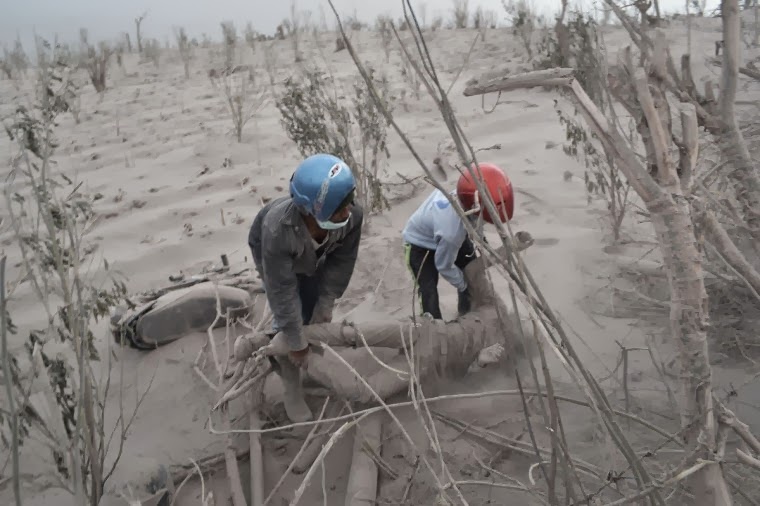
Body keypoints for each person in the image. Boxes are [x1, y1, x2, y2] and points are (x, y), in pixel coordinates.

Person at [248, 153, 363, 422]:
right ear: (311, 209)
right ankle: (292, 387)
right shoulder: (278, 230)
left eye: (348, 203)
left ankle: (313, 366)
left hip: (316, 256)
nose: (347, 213)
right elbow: (282, 290)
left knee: (314, 310)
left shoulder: (351, 215)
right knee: (289, 321)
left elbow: (343, 261)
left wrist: (327, 301)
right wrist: (296, 342)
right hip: (273, 254)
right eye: (339, 208)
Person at [402, 162, 514, 320]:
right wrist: (463, 285)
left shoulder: (467, 195)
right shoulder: (451, 233)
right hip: (419, 245)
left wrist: (481, 240)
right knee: (429, 292)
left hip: (450, 227)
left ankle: (466, 314)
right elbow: (444, 266)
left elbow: (476, 223)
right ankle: (433, 329)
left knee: (471, 272)